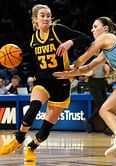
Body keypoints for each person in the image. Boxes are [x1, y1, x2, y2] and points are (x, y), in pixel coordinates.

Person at [0, 4, 91, 163]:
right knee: (34, 106)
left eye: (48, 15)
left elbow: (86, 38)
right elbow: (33, 61)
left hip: (61, 82)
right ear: (35, 19)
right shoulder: (33, 39)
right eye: (42, 15)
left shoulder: (58, 30)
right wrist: (16, 64)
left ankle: (32, 147)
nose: (46, 18)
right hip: (42, 81)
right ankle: (19, 138)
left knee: (46, 128)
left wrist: (69, 42)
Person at [52, 16, 116, 157]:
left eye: (95, 26)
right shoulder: (108, 50)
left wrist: (71, 65)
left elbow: (85, 57)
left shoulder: (106, 37)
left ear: (105, 29)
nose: (92, 30)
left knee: (105, 110)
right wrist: (69, 73)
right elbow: (88, 67)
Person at [83, 63, 108, 133]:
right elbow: (84, 71)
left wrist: (108, 69)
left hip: (102, 81)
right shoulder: (91, 60)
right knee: (101, 106)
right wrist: (88, 72)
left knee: (105, 106)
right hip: (94, 82)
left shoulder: (104, 59)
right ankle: (89, 121)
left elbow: (108, 71)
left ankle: (105, 127)